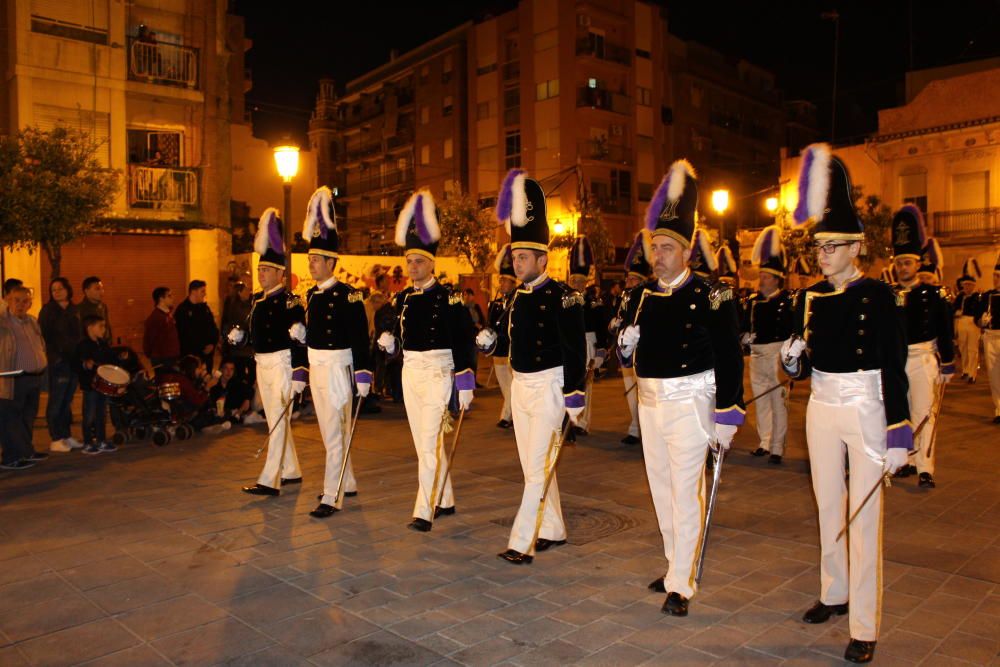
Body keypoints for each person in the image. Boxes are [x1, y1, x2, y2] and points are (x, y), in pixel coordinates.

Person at [780, 143, 911, 664]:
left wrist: (900, 430)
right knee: (828, 503)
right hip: (821, 404)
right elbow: (801, 366)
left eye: (833, 247)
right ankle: (833, 592)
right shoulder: (807, 297)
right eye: (820, 248)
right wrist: (792, 361)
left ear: (856, 248)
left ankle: (865, 622)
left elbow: (895, 364)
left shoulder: (879, 296)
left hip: (865, 405)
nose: (823, 255)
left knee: (865, 514)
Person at [617, 160, 744, 616]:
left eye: (668, 248)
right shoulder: (641, 296)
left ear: (686, 251)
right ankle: (675, 564)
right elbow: (629, 355)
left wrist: (728, 411)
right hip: (650, 403)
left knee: (687, 489)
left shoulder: (712, 294)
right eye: (656, 247)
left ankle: (683, 584)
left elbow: (730, 355)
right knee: (660, 487)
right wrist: (625, 349)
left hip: (692, 401)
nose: (659, 255)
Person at [477, 169, 587, 565]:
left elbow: (577, 351)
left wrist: (576, 395)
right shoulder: (514, 299)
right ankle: (553, 526)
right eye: (515, 257)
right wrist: (492, 343)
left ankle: (522, 541)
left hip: (550, 386)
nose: (517, 263)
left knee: (538, 463)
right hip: (521, 386)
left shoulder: (564, 297)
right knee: (533, 464)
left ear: (543, 258)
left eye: (523, 257)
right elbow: (510, 341)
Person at [377, 189, 476, 532]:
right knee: (424, 441)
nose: (412, 267)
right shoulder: (403, 298)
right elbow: (388, 325)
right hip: (410, 372)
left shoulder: (449, 298)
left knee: (430, 439)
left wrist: (465, 379)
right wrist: (389, 342)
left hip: (438, 372)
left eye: (418, 261)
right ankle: (445, 497)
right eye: (409, 262)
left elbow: (465, 339)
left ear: (432, 264)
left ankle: (424, 507)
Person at [296, 187, 372, 518]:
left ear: (331, 262)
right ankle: (347, 480)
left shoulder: (349, 295)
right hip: (317, 366)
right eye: (310, 260)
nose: (311, 265)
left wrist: (364, 373)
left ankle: (332, 494)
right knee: (330, 431)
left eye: (316, 260)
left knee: (335, 430)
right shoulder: (310, 295)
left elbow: (360, 337)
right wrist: (302, 336)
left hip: (339, 369)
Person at [235, 208, 308, 496]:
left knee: (277, 420)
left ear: (280, 273)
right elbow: (253, 333)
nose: (261, 274)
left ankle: (270, 479)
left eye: (266, 270)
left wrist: (300, 371)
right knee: (276, 418)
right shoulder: (257, 300)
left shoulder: (291, 301)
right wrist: (239, 337)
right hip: (261, 363)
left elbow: (301, 338)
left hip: (282, 364)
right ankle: (291, 469)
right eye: (259, 270)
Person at [891, 207, 955, 489]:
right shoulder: (888, 294)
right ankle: (904, 460)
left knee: (923, 412)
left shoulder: (932, 294)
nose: (903, 267)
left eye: (908, 262)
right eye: (900, 262)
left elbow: (944, 329)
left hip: (922, 358)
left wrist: (948, 363)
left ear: (918, 264)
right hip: (895, 361)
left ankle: (925, 466)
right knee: (898, 414)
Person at [742, 226, 794, 464]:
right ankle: (764, 442)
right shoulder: (755, 302)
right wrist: (745, 336)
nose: (760, 281)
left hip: (777, 354)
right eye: (761, 276)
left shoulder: (786, 301)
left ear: (776, 279)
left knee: (778, 402)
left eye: (765, 277)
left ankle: (777, 447)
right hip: (757, 355)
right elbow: (747, 325)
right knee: (761, 401)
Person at [609, 231, 652, 446]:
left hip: (641, 351)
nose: (629, 280)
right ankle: (635, 428)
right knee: (630, 392)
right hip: (625, 349)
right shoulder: (625, 296)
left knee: (644, 393)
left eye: (633, 278)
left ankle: (645, 430)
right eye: (629, 277)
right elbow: (621, 317)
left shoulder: (648, 295)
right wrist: (614, 325)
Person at [0, 286, 50, 467]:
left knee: (28, 417)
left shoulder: (32, 321)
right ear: (7, 299)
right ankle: (10, 458)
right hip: (13, 379)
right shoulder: (3, 323)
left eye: (25, 301)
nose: (21, 304)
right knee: (11, 419)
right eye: (17, 300)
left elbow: (40, 345)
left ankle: (26, 451)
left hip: (34, 376)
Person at [566, 236, 605, 437]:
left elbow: (600, 327)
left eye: (580, 281)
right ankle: (571, 419)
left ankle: (583, 422)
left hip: (588, 342)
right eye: (573, 280)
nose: (576, 284)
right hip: (570, 344)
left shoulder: (592, 302)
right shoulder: (565, 300)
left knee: (586, 384)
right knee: (571, 381)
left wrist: (601, 351)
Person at [38, 277, 83, 452]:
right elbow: (43, 337)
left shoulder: (74, 309)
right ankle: (55, 437)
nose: (56, 292)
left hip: (74, 362)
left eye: (60, 288)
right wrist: (54, 357)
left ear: (68, 289)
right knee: (56, 400)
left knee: (67, 400)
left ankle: (66, 435)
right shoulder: (48, 311)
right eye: (53, 289)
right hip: (58, 363)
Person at [76, 314, 117, 454]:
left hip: (103, 385)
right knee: (89, 415)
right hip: (90, 386)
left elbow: (111, 359)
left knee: (101, 414)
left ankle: (101, 440)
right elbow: (78, 363)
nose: (104, 329)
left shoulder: (103, 344)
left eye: (104, 326)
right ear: (90, 328)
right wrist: (85, 364)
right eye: (101, 326)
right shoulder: (83, 345)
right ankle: (87, 442)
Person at [488, 244, 517, 429]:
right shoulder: (495, 303)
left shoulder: (519, 301)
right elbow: (489, 325)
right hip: (498, 349)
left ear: (513, 283)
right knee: (505, 386)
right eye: (501, 280)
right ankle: (512, 413)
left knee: (513, 386)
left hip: (512, 349)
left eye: (505, 281)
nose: (502, 284)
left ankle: (507, 416)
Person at [175, 280, 220, 372]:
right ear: (193, 291)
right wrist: (201, 348)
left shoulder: (205, 309)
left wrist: (212, 344)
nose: (204, 294)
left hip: (207, 356)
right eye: (202, 291)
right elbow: (184, 334)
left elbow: (213, 328)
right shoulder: (183, 310)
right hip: (191, 357)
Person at [953, 260, 984, 383]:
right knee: (963, 348)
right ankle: (965, 370)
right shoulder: (960, 296)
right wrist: (956, 312)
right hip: (961, 322)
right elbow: (953, 308)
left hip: (972, 323)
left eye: (969, 285)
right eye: (965, 285)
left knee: (972, 349)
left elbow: (979, 311)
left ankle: (972, 374)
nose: (966, 287)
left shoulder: (977, 297)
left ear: (973, 285)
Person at [980, 252, 1000, 424]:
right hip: (990, 336)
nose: (996, 279)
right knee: (994, 374)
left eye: (998, 276)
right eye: (994, 276)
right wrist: (982, 320)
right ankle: (998, 409)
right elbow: (977, 318)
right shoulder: (987, 295)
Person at [221, 278, 253, 381]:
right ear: (240, 292)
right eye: (246, 290)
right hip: (240, 349)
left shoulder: (250, 304)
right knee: (240, 374)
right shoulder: (235, 307)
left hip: (246, 349)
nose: (249, 292)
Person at [143, 286, 180, 369]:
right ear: (161, 299)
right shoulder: (156, 317)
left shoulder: (167, 315)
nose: (172, 298)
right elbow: (149, 340)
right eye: (169, 296)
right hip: (163, 359)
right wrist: (152, 355)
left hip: (171, 357)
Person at [78, 277, 112, 343]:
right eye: (97, 289)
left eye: (102, 288)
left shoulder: (103, 306)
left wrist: (109, 340)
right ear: (86, 291)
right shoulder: (79, 309)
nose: (101, 291)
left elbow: (107, 325)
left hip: (104, 344)